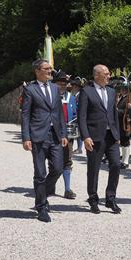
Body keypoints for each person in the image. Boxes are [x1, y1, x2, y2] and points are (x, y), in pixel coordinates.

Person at [21, 59, 68, 222]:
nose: (50, 71)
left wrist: (63, 134)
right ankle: (41, 206)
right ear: (37, 71)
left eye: (50, 68)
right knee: (40, 173)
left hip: (55, 135)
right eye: (46, 68)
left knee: (58, 168)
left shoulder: (55, 88)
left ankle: (44, 194)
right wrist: (26, 137)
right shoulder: (30, 89)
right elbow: (25, 114)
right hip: (38, 136)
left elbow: (59, 113)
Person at [78, 64, 121, 214]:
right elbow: (81, 116)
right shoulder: (86, 92)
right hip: (94, 137)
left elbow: (114, 114)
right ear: (97, 75)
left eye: (109, 74)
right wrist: (85, 136)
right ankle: (93, 199)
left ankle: (110, 198)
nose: (109, 76)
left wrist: (118, 135)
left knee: (116, 165)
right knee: (93, 169)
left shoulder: (111, 91)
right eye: (106, 74)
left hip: (111, 136)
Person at [50, 71, 77, 199]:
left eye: (64, 84)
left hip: (68, 134)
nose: (62, 86)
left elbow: (75, 114)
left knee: (67, 160)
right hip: (52, 133)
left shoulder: (71, 98)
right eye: (59, 83)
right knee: (52, 161)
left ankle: (67, 189)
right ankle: (50, 186)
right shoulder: (49, 96)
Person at [116, 76, 131, 170]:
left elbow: (127, 111)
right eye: (122, 89)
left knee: (125, 141)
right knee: (123, 141)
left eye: (124, 89)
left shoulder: (129, 98)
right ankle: (123, 160)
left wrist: (117, 110)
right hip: (121, 122)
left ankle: (125, 161)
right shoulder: (123, 98)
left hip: (126, 122)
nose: (123, 90)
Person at [71, 77, 84, 154]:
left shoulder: (80, 95)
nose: (73, 87)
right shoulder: (74, 95)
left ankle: (79, 148)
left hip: (78, 115)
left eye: (75, 86)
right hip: (74, 116)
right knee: (75, 132)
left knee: (79, 133)